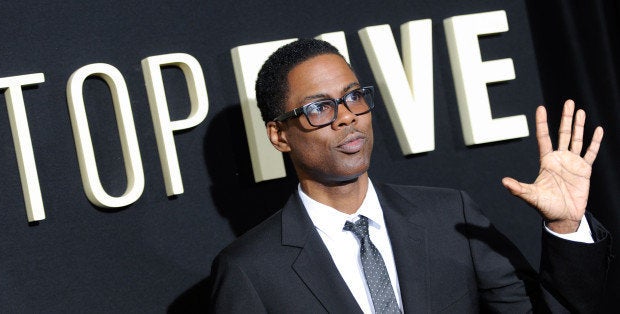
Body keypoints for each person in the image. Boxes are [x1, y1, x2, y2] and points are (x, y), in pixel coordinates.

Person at [210, 39, 611, 313]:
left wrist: (565, 226)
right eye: (319, 108)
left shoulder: (449, 217)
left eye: (353, 97)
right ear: (280, 136)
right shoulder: (250, 271)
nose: (347, 116)